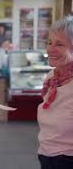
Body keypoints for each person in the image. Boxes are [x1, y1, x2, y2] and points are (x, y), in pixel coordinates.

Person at [37, 15, 73, 169]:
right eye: (50, 42)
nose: (50, 49)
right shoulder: (52, 77)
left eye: (59, 44)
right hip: (46, 154)